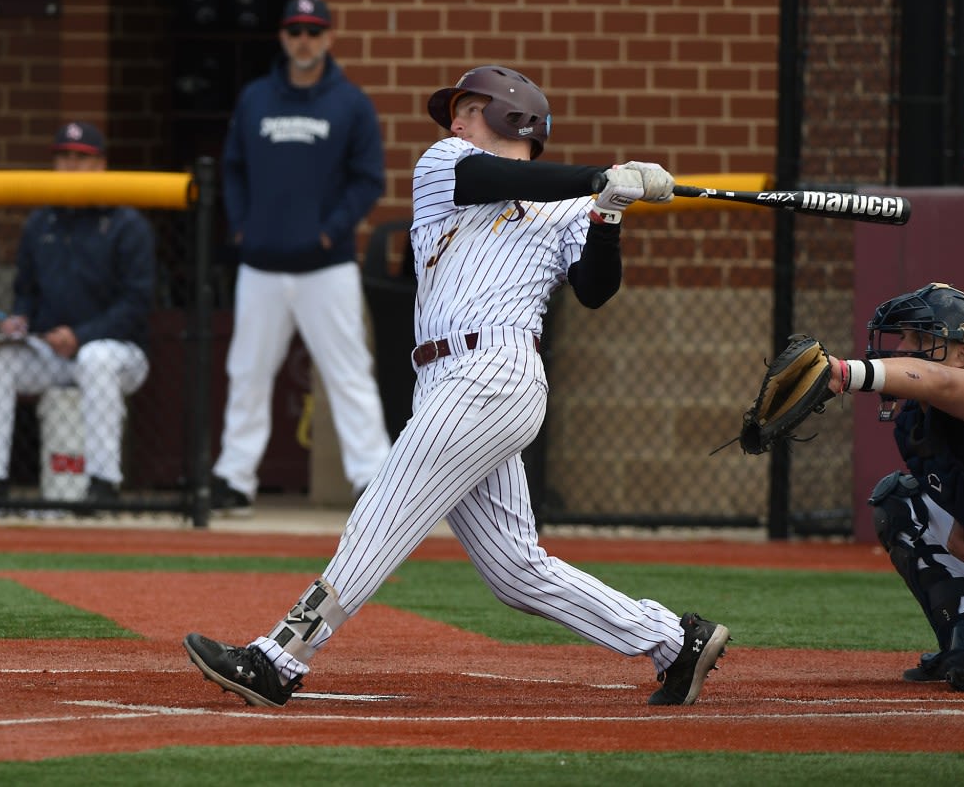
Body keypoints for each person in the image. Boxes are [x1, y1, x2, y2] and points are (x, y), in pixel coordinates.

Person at [184, 64, 730, 707]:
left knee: (384, 510)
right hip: (445, 378)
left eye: (468, 110)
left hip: (494, 374)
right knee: (515, 572)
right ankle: (675, 640)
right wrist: (598, 179)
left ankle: (278, 659)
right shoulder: (447, 166)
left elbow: (595, 289)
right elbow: (496, 178)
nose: (455, 121)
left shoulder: (572, 208)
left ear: (511, 118)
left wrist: (609, 212)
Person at [209, 0, 391, 517]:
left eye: (313, 31)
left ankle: (372, 480)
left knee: (348, 371)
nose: (304, 40)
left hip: (326, 268)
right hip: (261, 264)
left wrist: (331, 233)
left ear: (329, 37)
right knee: (247, 371)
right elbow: (233, 169)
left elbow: (367, 180)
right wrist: (243, 226)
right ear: (283, 38)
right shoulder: (255, 99)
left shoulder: (351, 104)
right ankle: (234, 479)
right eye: (295, 31)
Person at [0, 121, 154, 506]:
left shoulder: (127, 224)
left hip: (120, 353)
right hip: (51, 351)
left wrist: (82, 335)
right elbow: (26, 293)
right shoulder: (40, 222)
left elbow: (136, 303)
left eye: (81, 159)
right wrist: (20, 320)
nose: (70, 165)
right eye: (63, 157)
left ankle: (103, 483)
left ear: (101, 166)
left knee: (95, 358)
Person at [825, 282, 964, 692]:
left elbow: (938, 382)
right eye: (903, 336)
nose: (902, 346)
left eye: (919, 338)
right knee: (902, 501)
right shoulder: (914, 424)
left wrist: (844, 373)